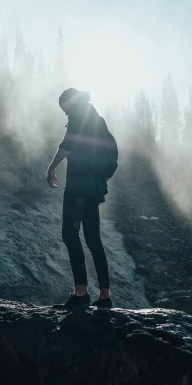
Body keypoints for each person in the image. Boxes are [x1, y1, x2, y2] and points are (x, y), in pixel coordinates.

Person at [47, 88, 118, 309]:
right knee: (93, 239)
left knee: (69, 233)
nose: (65, 112)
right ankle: (105, 296)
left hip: (79, 184)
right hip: (94, 186)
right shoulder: (97, 118)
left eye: (64, 107)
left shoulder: (80, 115)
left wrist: (51, 168)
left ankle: (81, 293)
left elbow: (68, 143)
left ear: (69, 103)